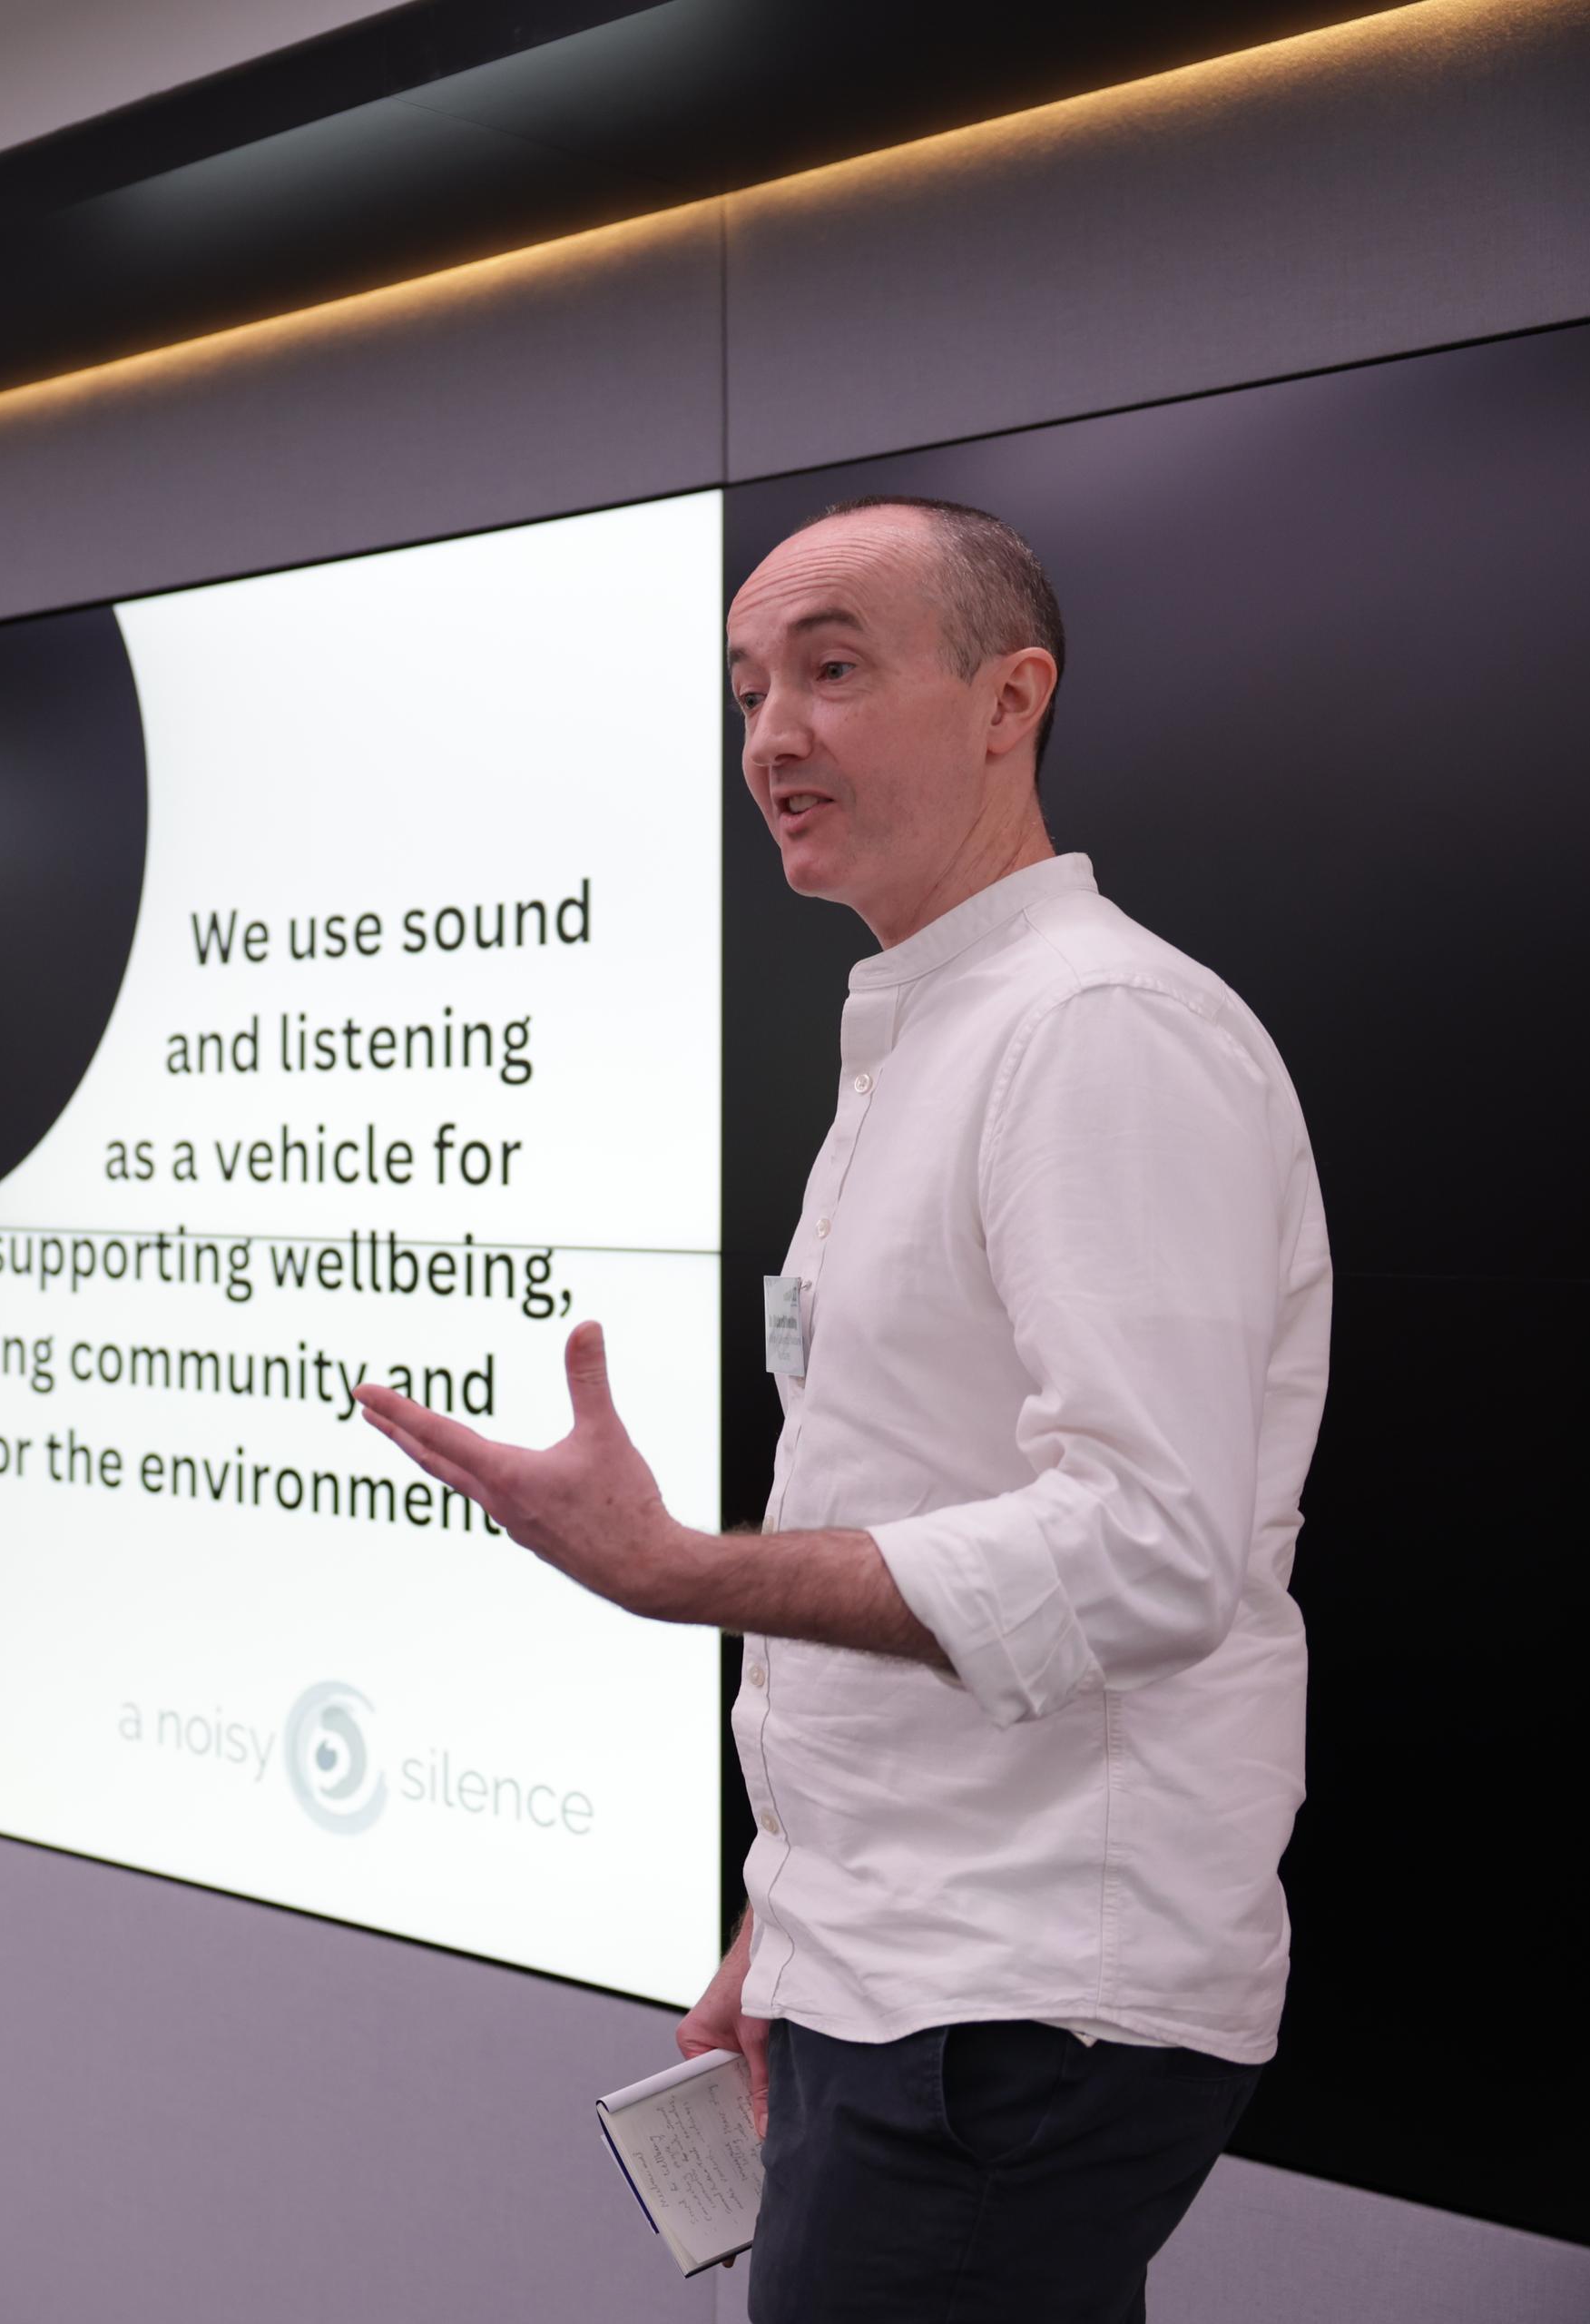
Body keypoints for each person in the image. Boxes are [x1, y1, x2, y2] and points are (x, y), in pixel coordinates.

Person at [357, 498, 1329, 2320]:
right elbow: (935, 1491)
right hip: (900, 1975)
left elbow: (1148, 1547)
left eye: (832, 669)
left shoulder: (1094, 1032)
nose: (771, 739)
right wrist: (785, 1921)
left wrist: (679, 1571)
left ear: (1006, 699)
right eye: (745, 691)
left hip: (1017, 2006)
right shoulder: (936, 1033)